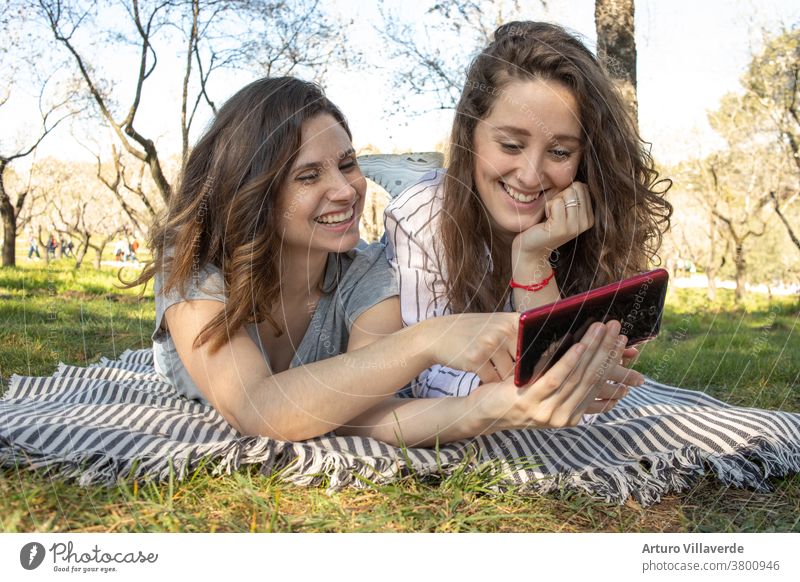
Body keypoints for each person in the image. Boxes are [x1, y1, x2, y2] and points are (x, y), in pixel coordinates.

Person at [127, 76, 634, 446]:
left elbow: (364, 414)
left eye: (348, 164)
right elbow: (258, 407)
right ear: (254, 192)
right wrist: (429, 339)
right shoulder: (196, 265)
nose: (346, 190)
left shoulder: (367, 274)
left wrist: (496, 407)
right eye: (309, 177)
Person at [385, 21, 671, 399]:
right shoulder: (421, 214)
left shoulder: (588, 223)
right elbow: (429, 379)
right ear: (470, 133)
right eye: (510, 145)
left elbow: (561, 381)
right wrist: (546, 382)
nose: (531, 175)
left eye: (559, 152)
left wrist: (532, 256)